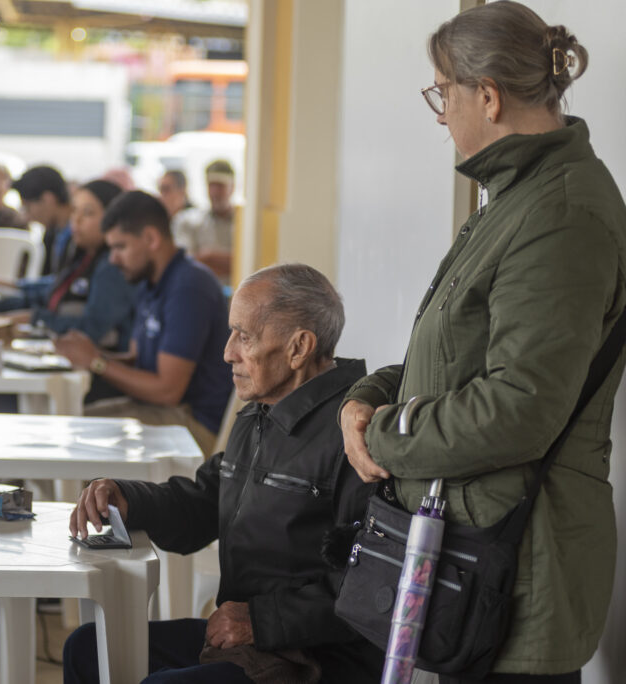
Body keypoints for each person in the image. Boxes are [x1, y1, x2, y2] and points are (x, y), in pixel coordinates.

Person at [339, 4, 625, 683]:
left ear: (488, 96)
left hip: (516, 571)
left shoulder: (559, 212)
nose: (442, 116)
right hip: (479, 556)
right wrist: (365, 398)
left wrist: (383, 435)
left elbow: (520, 407)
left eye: (444, 92)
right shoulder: (519, 196)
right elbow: (449, 358)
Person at [63, 264, 383, 684]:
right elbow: (206, 498)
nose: (227, 352)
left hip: (313, 657)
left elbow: (372, 586)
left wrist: (259, 621)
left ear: (299, 347)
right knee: (88, 648)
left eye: (244, 337)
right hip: (249, 641)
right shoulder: (261, 412)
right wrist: (128, 499)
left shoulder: (354, 434)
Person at [54, 190, 232, 455]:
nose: (113, 259)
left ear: (151, 238)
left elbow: (167, 391)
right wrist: (86, 355)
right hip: (160, 411)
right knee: (64, 421)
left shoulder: (189, 287)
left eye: (120, 247)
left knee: (68, 436)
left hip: (193, 427)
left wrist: (97, 361)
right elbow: (138, 362)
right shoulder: (149, 282)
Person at [1, 180, 135, 350]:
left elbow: (93, 329)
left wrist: (35, 319)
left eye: (87, 213)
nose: (76, 220)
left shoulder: (112, 265)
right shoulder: (83, 256)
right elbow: (53, 294)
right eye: (74, 211)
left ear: (112, 220)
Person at [172, 159, 237, 284]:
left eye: (220, 186)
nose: (214, 192)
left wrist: (209, 256)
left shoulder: (243, 225)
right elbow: (186, 264)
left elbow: (248, 261)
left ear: (232, 187)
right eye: (211, 185)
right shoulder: (189, 221)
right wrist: (230, 262)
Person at [11, 165, 74, 275]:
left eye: (28, 208)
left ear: (47, 199)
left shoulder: (79, 237)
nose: (28, 217)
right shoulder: (52, 234)